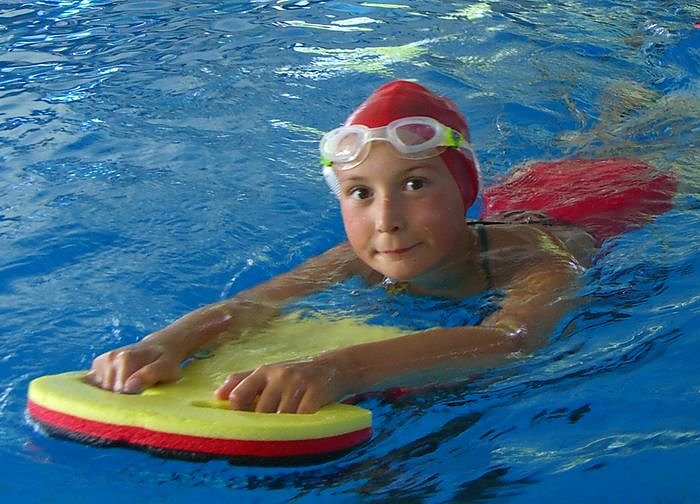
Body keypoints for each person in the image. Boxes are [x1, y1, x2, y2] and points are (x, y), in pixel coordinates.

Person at [87, 80, 674, 414]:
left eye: (415, 185)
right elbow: (254, 304)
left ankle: (644, 104)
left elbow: (512, 339)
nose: (386, 221)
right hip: (525, 191)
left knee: (652, 141)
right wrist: (164, 344)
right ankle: (619, 108)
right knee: (596, 135)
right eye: (361, 193)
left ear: (463, 193)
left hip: (612, 197)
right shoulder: (356, 259)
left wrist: (343, 368)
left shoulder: (537, 262)